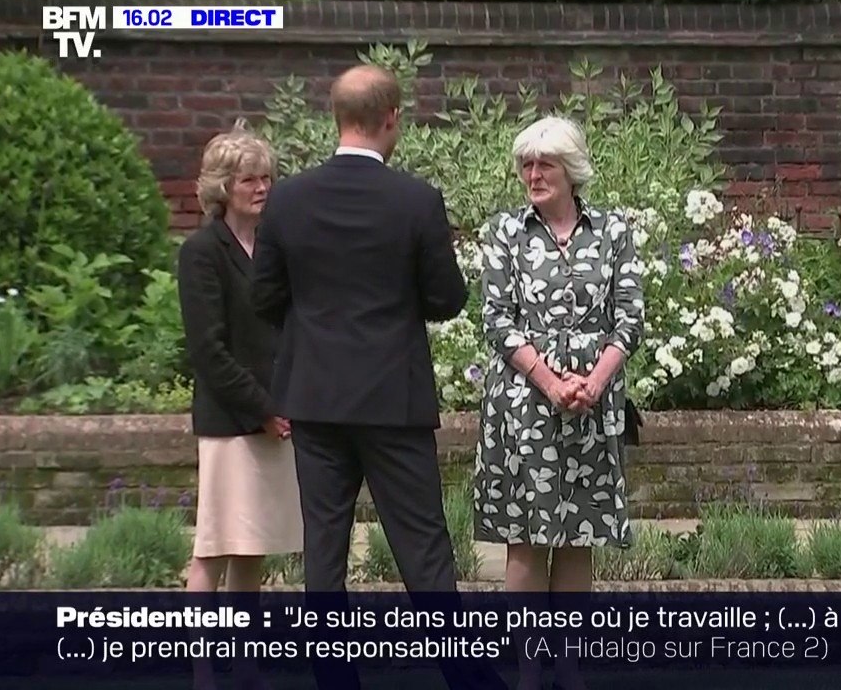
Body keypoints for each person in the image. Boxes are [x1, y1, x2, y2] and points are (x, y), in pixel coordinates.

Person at [251, 64, 505, 690]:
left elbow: (263, 297)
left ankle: (335, 680)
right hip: (394, 396)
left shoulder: (288, 198)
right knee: (422, 544)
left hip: (314, 397)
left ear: (335, 118)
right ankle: (466, 679)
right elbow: (447, 299)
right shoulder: (416, 200)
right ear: (392, 117)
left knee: (325, 544)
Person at [473, 115, 644, 690]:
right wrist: (549, 381)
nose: (533, 173)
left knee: (578, 537)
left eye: (544, 163)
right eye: (526, 163)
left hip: (593, 409)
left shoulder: (614, 231)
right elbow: (496, 319)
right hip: (523, 409)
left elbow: (630, 315)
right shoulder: (505, 232)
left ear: (571, 169)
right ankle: (527, 671)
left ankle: (569, 669)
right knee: (526, 535)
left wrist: (595, 381)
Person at [177, 122, 303, 690]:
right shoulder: (202, 252)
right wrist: (262, 409)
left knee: (250, 549)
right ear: (223, 187)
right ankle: (205, 671)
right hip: (232, 422)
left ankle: (245, 663)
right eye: (250, 179)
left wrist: (291, 402)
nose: (262, 188)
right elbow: (208, 348)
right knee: (214, 546)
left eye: (267, 178)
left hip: (277, 417)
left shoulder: (276, 245)